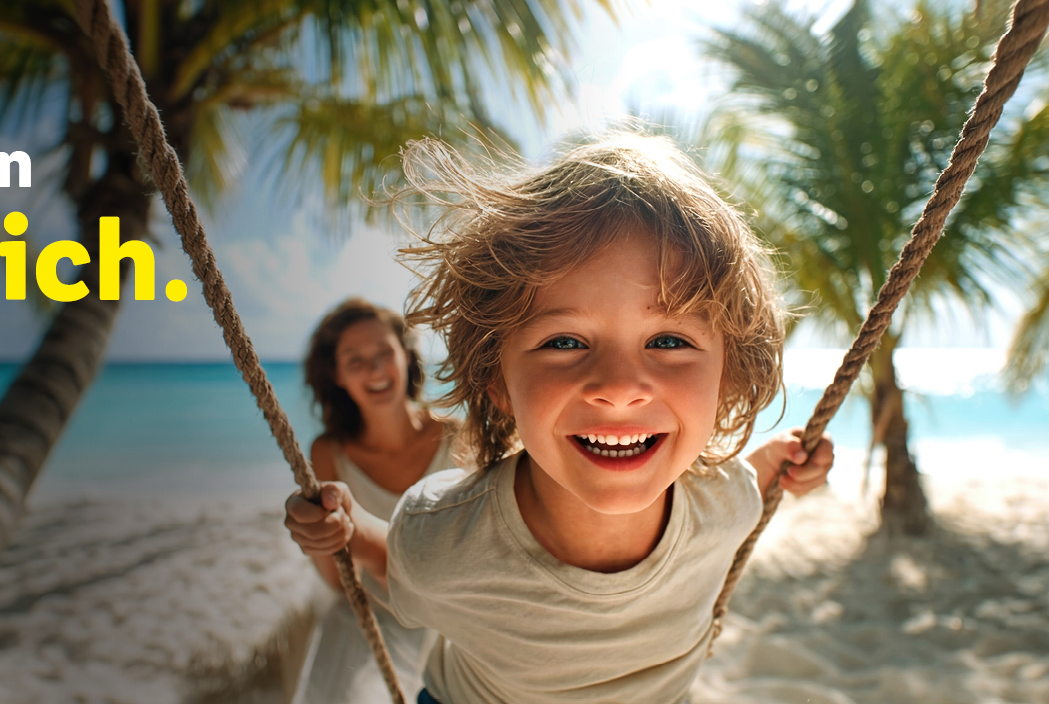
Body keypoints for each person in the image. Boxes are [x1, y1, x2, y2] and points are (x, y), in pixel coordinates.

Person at [282, 133, 832, 703]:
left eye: (668, 339)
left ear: (727, 377)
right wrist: (343, 527)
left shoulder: (728, 500)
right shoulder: (444, 533)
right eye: (565, 340)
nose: (618, 390)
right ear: (497, 379)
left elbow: (755, 479)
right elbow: (392, 557)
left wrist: (785, 460)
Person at [289, 297, 462, 704]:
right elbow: (337, 583)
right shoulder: (330, 453)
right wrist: (319, 538)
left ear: (405, 355)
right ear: (336, 376)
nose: (374, 370)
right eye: (355, 360)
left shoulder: (460, 436)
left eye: (384, 353)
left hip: (452, 613)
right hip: (374, 615)